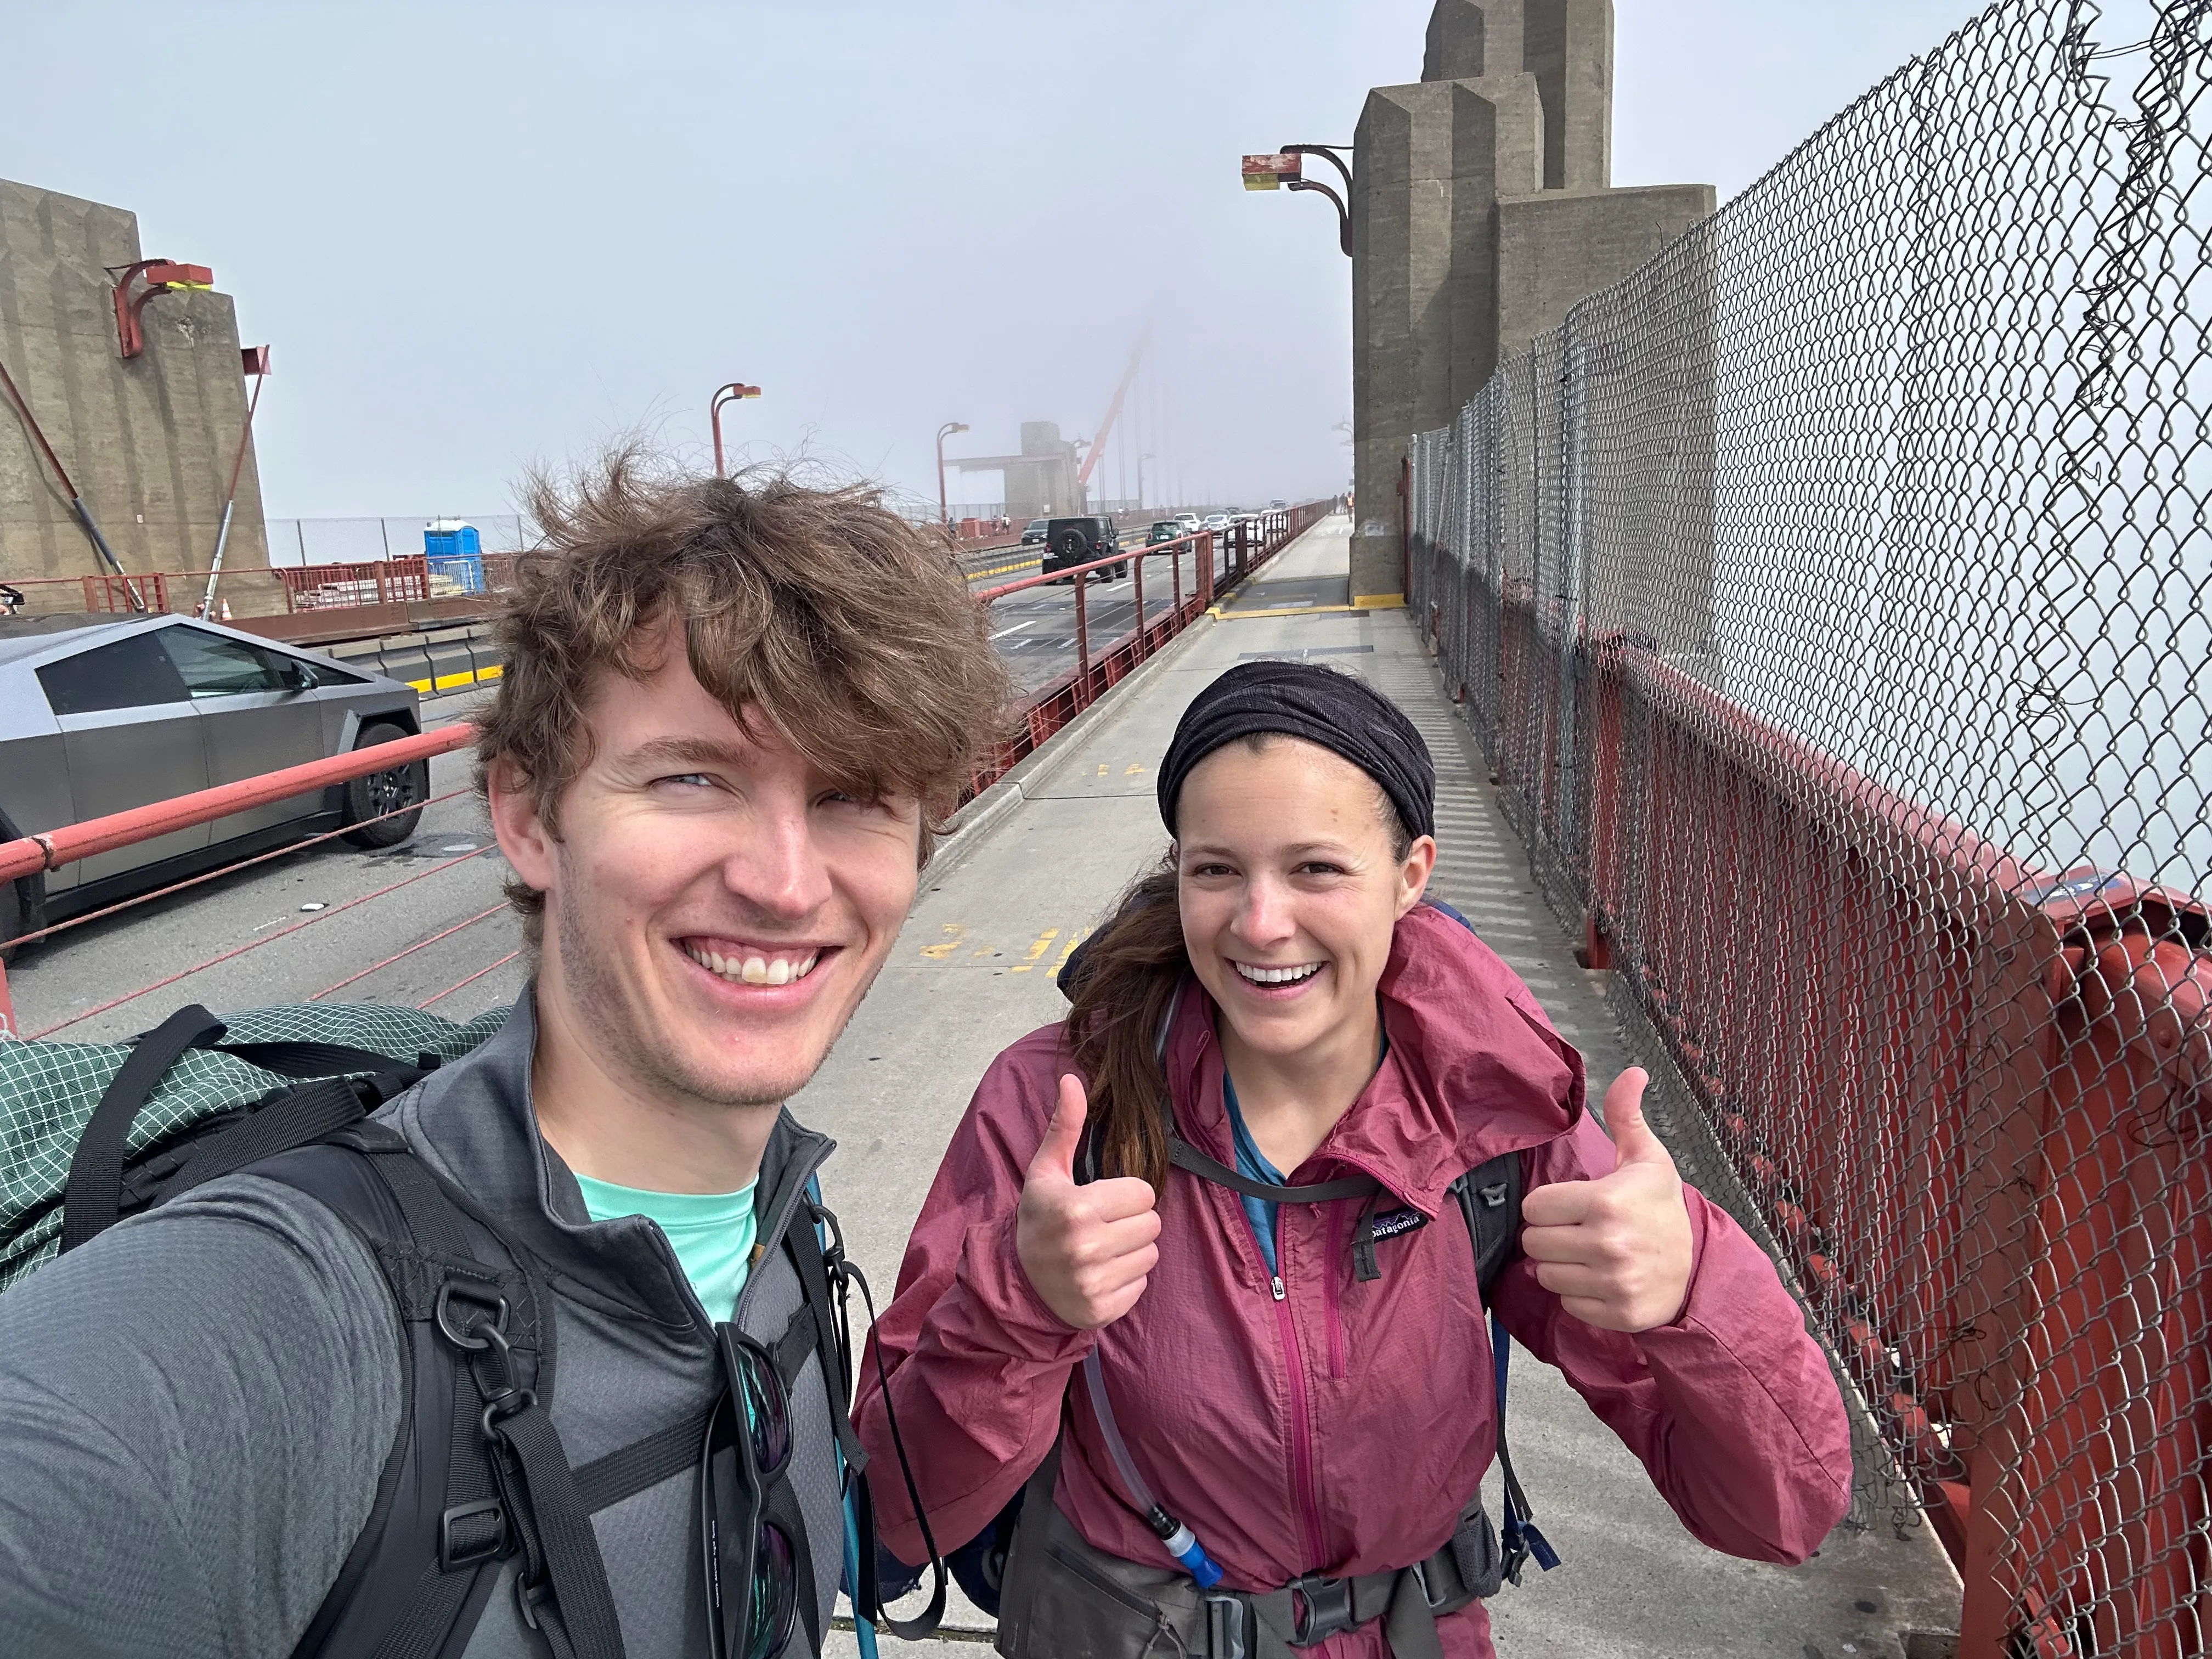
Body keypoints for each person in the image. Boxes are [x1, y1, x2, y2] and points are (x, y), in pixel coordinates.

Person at [0, 453, 1011, 1658]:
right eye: (694, 777)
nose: (785, 883)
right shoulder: (289, 1319)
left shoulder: (788, 1218)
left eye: (854, 797)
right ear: (528, 817)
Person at [855, 661, 1852, 1659]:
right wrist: (1020, 1312)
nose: (1259, 922)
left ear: (1411, 875)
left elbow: (1780, 1514)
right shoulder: (1057, 1106)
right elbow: (898, 1514)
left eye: (1316, 869)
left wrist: (1694, 1294)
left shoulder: (1492, 1116)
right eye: (1215, 870)